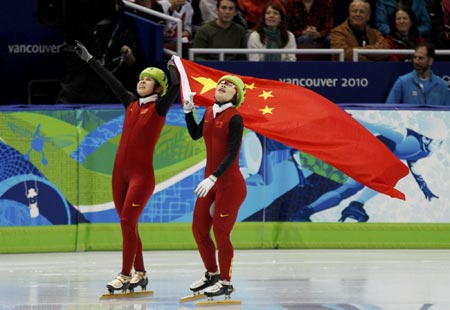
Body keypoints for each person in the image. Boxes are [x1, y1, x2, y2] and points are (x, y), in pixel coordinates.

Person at [74, 41, 180, 293]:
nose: (142, 81)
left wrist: (174, 66)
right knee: (128, 225)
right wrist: (89, 58)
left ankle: (124, 275)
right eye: (141, 78)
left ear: (158, 87)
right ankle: (140, 273)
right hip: (118, 174)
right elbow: (111, 81)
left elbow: (175, 86)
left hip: (141, 177)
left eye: (149, 79)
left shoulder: (159, 107)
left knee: (127, 221)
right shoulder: (130, 103)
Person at [291, 116, 447, 222]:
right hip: (361, 154)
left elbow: (413, 163)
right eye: (437, 142)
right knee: (359, 182)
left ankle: (311, 211)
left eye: (440, 143)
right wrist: (351, 119)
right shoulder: (401, 136)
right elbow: (375, 126)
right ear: (426, 137)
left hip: (371, 161)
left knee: (350, 188)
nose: (438, 146)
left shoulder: (425, 151)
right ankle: (302, 158)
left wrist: (424, 187)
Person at [183, 75, 247, 298]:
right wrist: (188, 112)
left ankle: (226, 282)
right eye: (221, 83)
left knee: (221, 232)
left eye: (229, 85)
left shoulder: (235, 118)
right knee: (199, 229)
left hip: (229, 185)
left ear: (235, 95)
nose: (223, 85)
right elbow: (195, 134)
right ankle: (212, 274)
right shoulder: (210, 111)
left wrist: (213, 177)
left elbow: (232, 153)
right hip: (210, 183)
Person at [57, 0, 141, 103]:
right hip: (77, 88)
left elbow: (132, 61)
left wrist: (128, 53)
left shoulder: (121, 33)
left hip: (105, 91)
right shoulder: (80, 29)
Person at [386, 43, 450, 105]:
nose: (416, 61)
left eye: (420, 58)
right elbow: (388, 110)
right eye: (415, 57)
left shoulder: (442, 85)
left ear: (430, 61)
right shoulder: (402, 82)